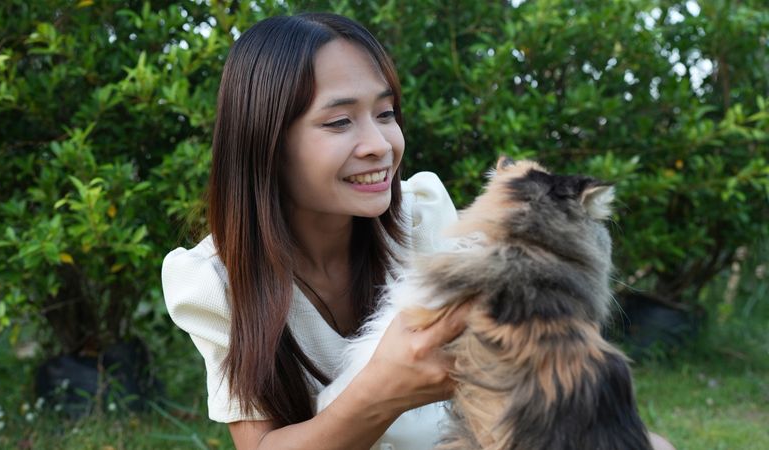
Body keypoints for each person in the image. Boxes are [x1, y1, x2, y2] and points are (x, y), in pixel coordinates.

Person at [162, 12, 675, 450]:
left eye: (385, 113)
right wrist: (384, 387)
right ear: (266, 142)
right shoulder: (215, 281)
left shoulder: (422, 218)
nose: (379, 145)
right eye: (339, 122)